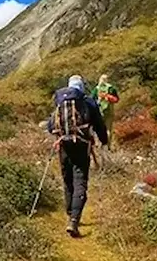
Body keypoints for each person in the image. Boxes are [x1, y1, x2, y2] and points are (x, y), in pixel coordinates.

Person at [47, 75, 108, 238]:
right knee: (80, 179)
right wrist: (104, 140)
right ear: (81, 86)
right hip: (82, 145)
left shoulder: (60, 101)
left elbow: (50, 125)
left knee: (67, 179)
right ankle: (74, 219)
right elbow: (99, 124)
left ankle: (70, 213)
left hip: (63, 145)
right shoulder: (87, 102)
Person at [91, 74, 120, 148]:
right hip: (109, 111)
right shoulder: (111, 88)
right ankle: (108, 146)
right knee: (108, 129)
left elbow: (91, 100)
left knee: (98, 128)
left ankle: (99, 145)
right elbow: (117, 100)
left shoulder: (96, 89)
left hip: (99, 112)